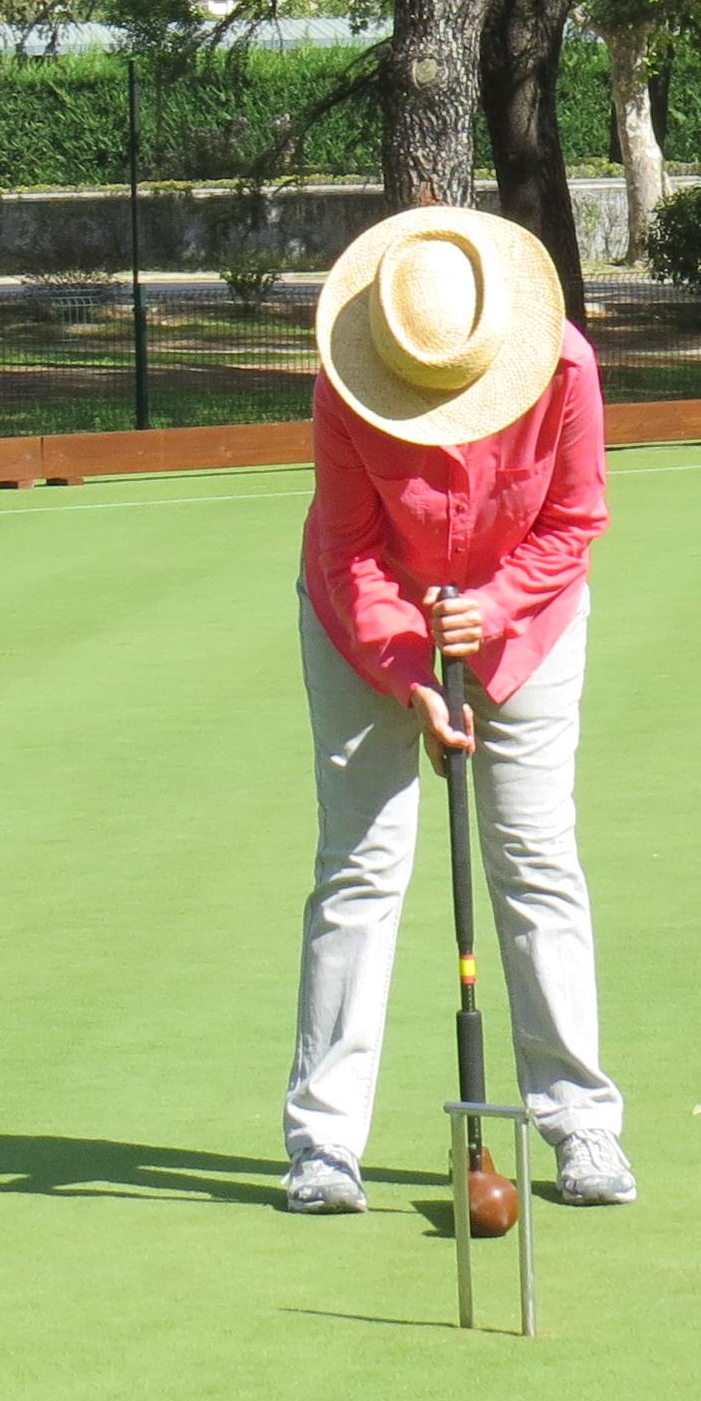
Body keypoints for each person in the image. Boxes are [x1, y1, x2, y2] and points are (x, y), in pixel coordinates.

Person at [280, 203, 633, 1216]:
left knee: (533, 858)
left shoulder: (563, 368)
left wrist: (491, 610)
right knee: (360, 868)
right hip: (365, 621)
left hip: (525, 619)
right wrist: (413, 676)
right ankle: (323, 1143)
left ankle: (580, 1123)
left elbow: (573, 521)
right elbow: (348, 553)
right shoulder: (348, 387)